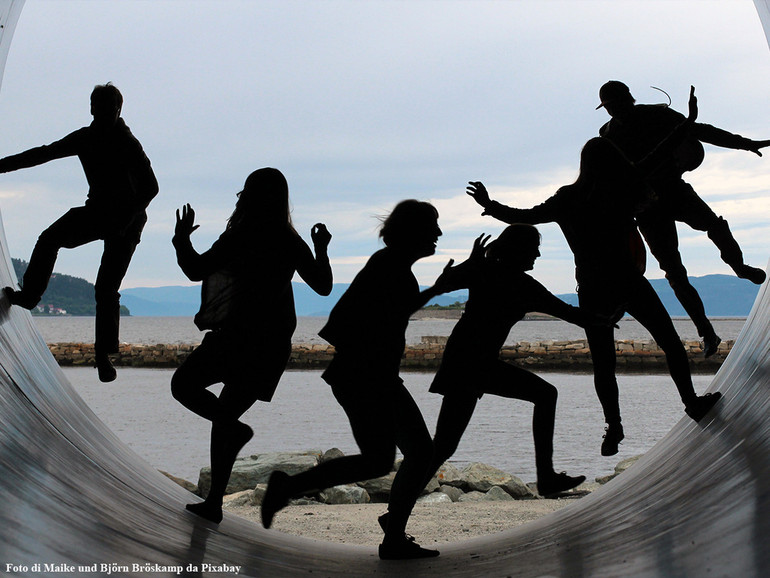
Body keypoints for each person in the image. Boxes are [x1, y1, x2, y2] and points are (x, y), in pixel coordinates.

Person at [467, 87, 721, 457]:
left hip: (592, 288)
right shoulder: (623, 189)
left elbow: (525, 216)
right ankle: (691, 402)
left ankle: (613, 427)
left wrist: (490, 205)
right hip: (629, 281)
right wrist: (689, 123)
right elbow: (656, 155)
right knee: (668, 340)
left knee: (604, 363)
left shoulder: (567, 198)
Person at [261, 200, 458, 560]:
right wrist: (438, 289)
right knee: (416, 452)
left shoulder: (390, 264)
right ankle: (391, 534)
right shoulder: (390, 265)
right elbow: (387, 312)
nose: (438, 234)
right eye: (433, 226)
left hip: (363, 376)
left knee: (381, 460)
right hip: (368, 377)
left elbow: (389, 309)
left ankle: (290, 488)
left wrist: (435, 290)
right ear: (413, 231)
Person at [171, 167, 332, 525]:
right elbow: (323, 285)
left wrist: (181, 239)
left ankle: (216, 495)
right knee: (225, 416)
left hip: (236, 337)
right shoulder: (289, 239)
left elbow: (196, 269)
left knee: (183, 386)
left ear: (249, 196)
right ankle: (215, 496)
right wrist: (321, 249)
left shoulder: (240, 235)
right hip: (271, 344)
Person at [419, 224, 612, 500]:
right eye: (534, 249)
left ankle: (397, 509)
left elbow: (444, 283)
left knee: (444, 444)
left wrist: (469, 263)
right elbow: (571, 314)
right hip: (472, 364)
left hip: (465, 361)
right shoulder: (520, 284)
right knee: (544, 395)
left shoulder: (488, 272)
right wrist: (603, 319)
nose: (538, 255)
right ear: (519, 250)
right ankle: (546, 478)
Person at [597, 80, 769, 357]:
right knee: (675, 274)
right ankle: (706, 332)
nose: (614, 110)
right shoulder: (607, 135)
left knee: (714, 225)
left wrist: (744, 144)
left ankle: (739, 267)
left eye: (617, 103)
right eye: (609, 107)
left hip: (672, 189)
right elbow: (614, 180)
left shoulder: (657, 114)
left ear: (629, 98)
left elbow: (699, 131)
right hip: (646, 208)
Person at [0, 83, 159, 382]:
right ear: (91, 109)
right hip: (98, 212)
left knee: (105, 289)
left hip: (129, 221)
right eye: (97, 109)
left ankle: (103, 356)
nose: (101, 114)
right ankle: (30, 296)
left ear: (118, 110)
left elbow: (151, 187)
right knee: (49, 238)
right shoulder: (85, 138)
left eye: (107, 110)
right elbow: (41, 154)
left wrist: (125, 220)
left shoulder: (128, 143)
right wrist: (1, 166)